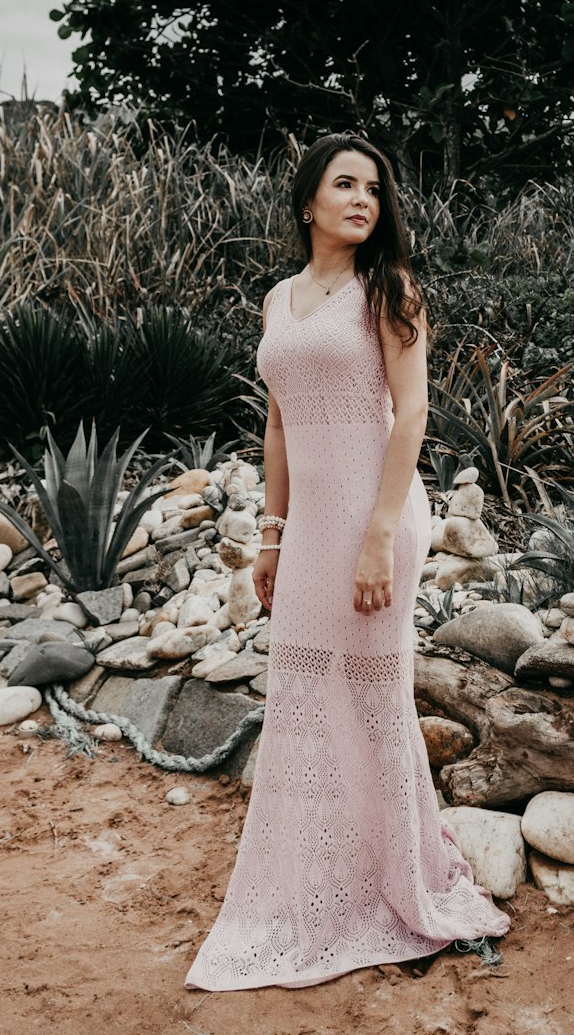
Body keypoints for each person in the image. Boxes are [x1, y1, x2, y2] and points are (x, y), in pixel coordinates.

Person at [185, 132, 510, 990]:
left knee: (370, 699)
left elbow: (410, 417)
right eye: (345, 184)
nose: (363, 199)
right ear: (308, 204)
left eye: (374, 188)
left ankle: (395, 882)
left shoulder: (388, 290)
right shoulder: (276, 299)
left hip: (378, 521)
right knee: (302, 694)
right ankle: (314, 888)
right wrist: (270, 535)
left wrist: (376, 536)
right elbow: (281, 424)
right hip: (311, 526)